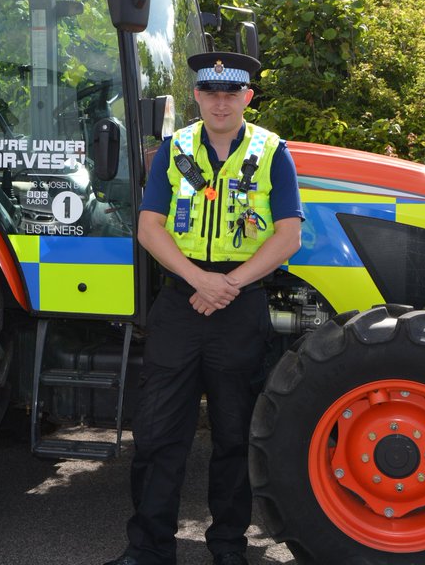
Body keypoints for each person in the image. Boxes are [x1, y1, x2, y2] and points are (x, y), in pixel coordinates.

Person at [105, 52, 304, 565]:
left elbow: (288, 236)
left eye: (231, 92)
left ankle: (228, 548)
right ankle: (148, 549)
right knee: (157, 434)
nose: (220, 101)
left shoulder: (273, 152)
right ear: (196, 96)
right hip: (180, 302)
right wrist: (199, 280)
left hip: (240, 306)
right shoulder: (172, 151)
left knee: (235, 436)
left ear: (247, 97)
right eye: (211, 92)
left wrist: (228, 284)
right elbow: (149, 227)